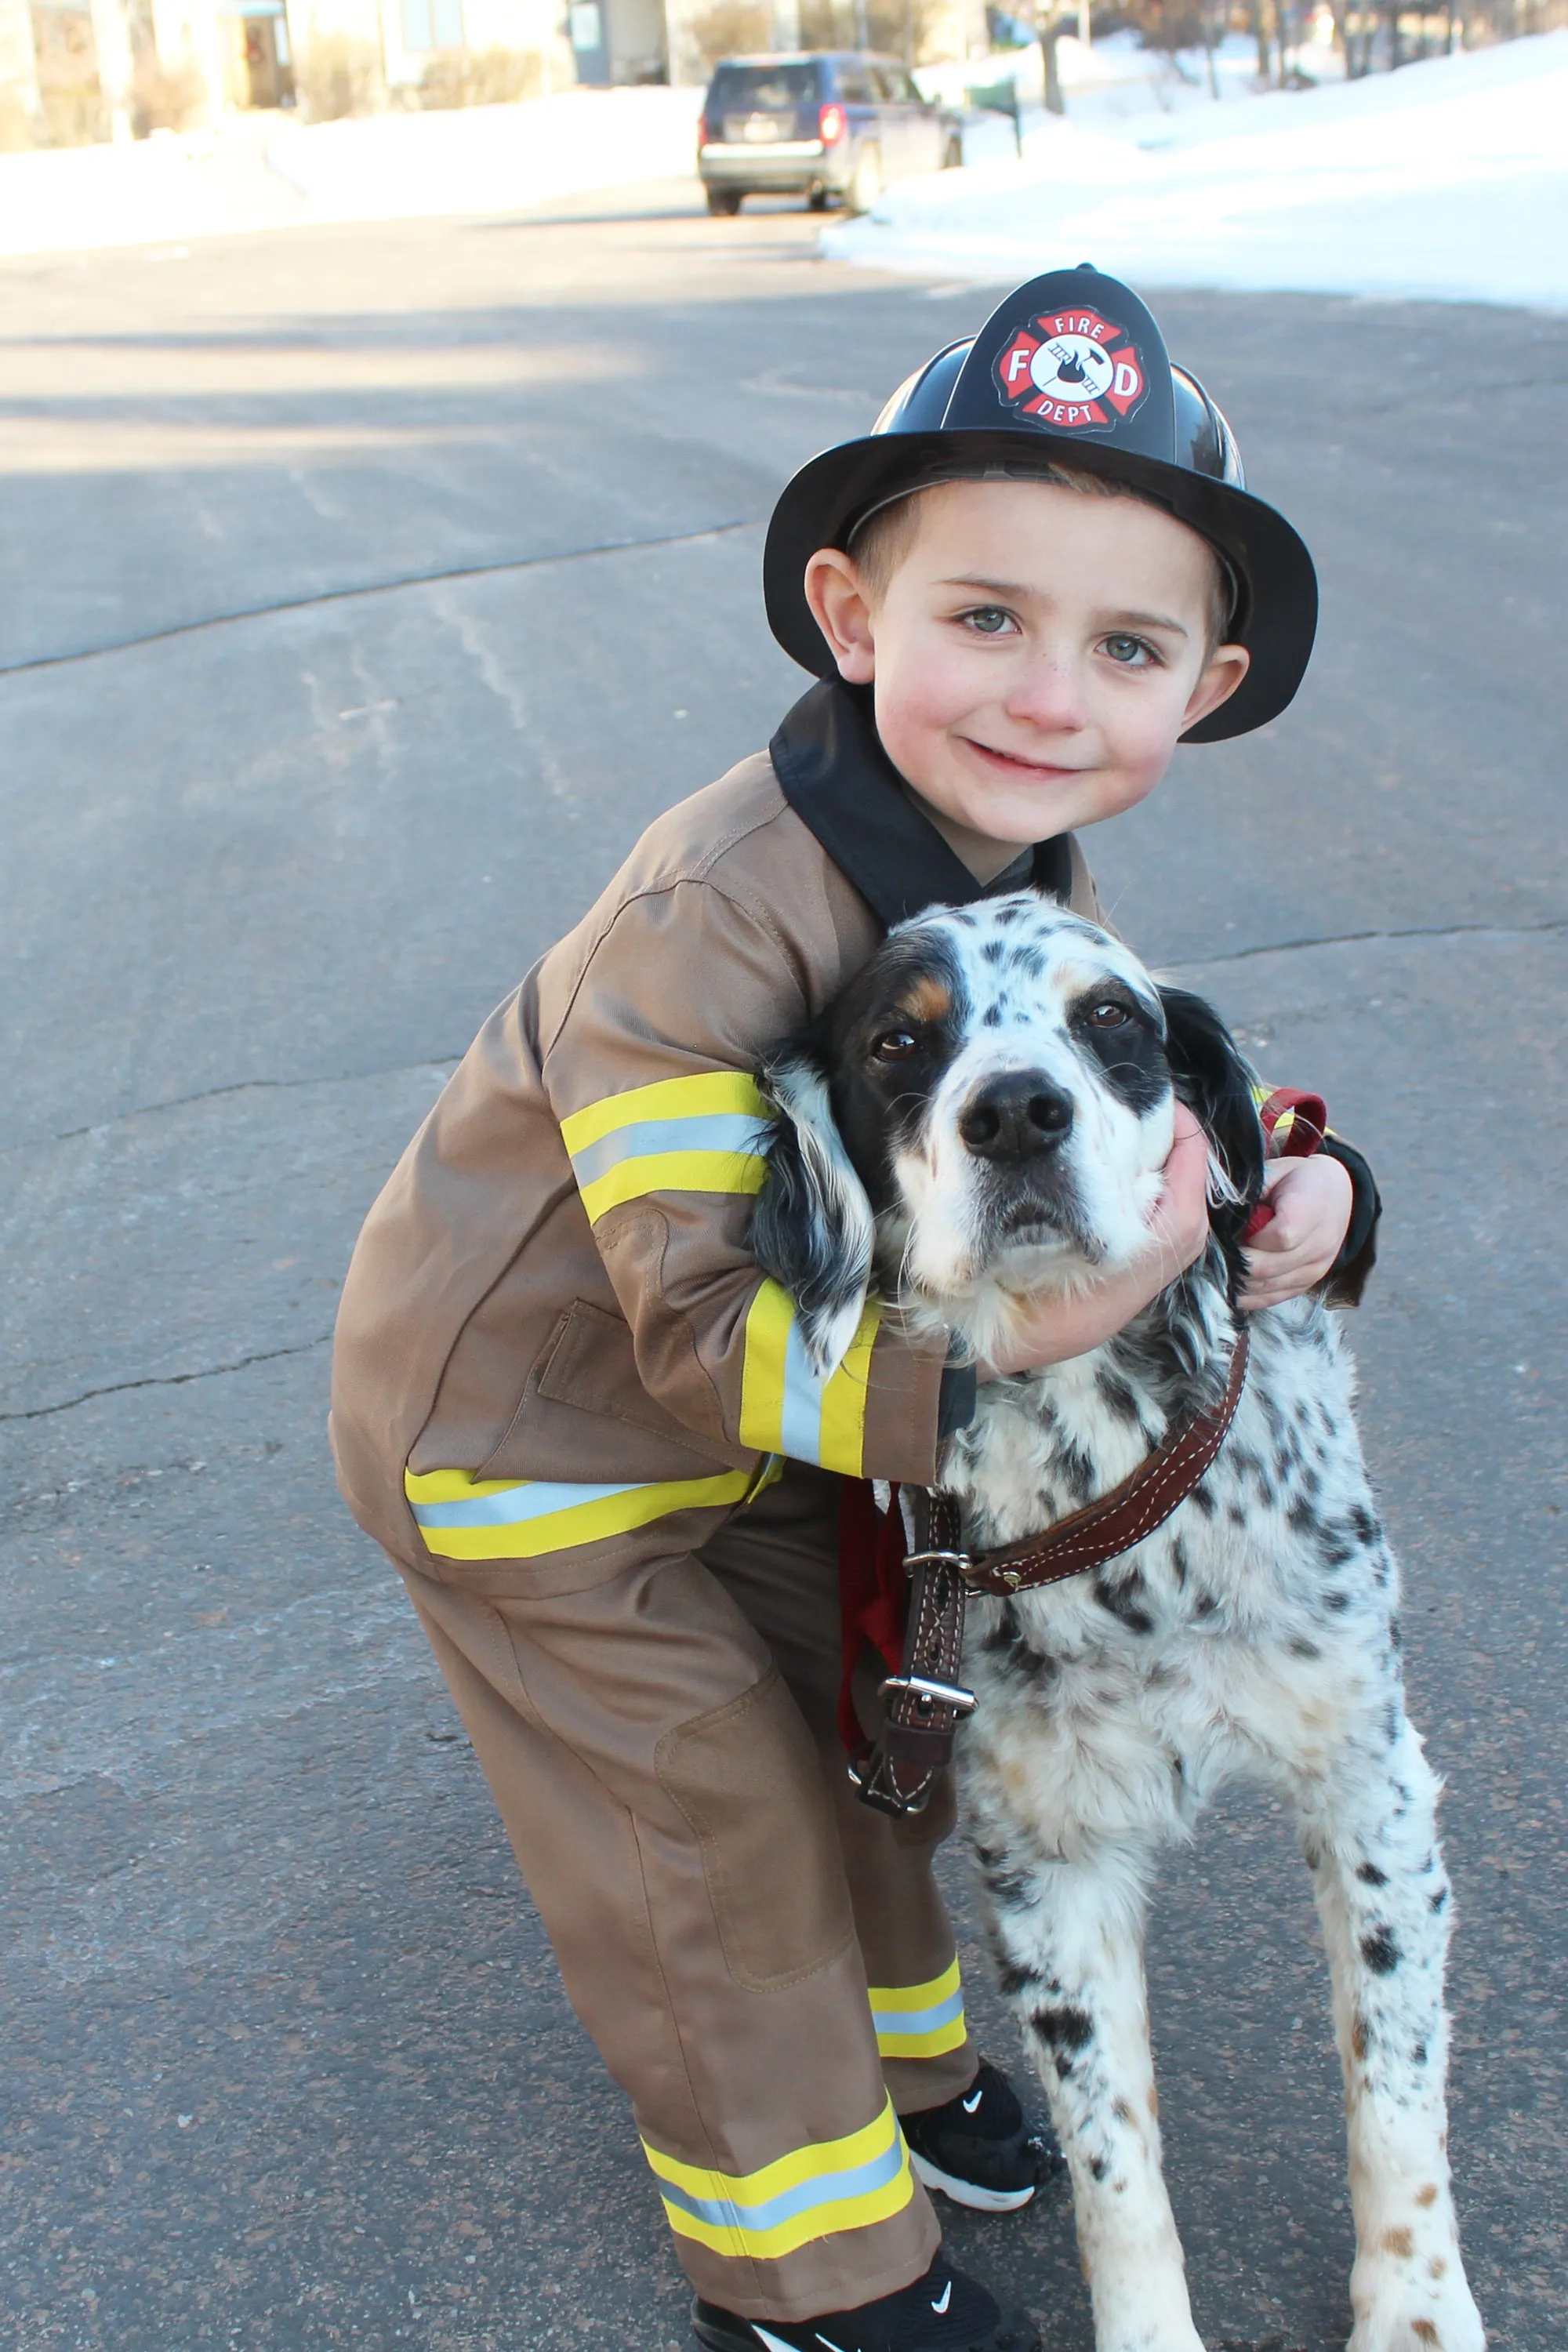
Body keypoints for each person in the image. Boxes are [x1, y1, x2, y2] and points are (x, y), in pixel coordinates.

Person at [330, 267, 1378, 2352]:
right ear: (849, 617)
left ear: (1203, 683)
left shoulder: (1012, 857)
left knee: (886, 1741)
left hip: (796, 1426)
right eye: (982, 618)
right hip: (542, 1446)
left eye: (1125, 647)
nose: (1046, 695)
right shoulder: (708, 924)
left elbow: (1097, 1061)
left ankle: (909, 2075)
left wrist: (1312, 1175)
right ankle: (811, 2268)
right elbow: (700, 1333)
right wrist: (1038, 1335)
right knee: (709, 1831)